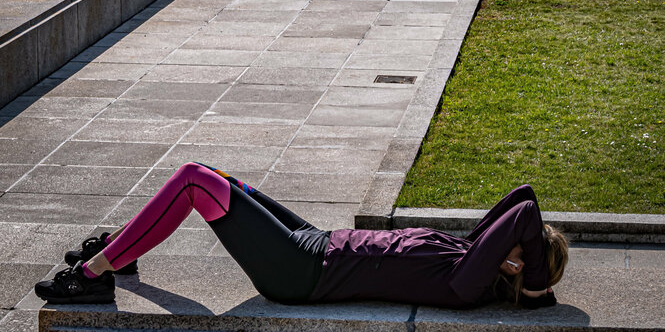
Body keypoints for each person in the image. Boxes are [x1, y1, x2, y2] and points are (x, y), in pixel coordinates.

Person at [33, 165, 568, 309]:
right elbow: (520, 195)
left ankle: (95, 273)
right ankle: (119, 251)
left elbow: (523, 211)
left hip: (300, 273)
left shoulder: (466, 283)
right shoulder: (472, 255)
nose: (501, 237)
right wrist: (531, 261)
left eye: (517, 247)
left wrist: (539, 289)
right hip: (317, 242)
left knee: (195, 182)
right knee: (221, 177)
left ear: (518, 267)